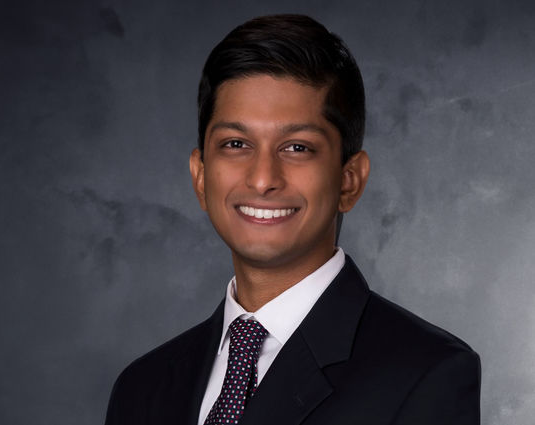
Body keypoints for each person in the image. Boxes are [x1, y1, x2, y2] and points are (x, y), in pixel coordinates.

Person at [104, 14, 480, 425]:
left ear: (348, 181)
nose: (263, 179)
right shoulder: (142, 388)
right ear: (200, 176)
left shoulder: (427, 374)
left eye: (297, 147)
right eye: (235, 143)